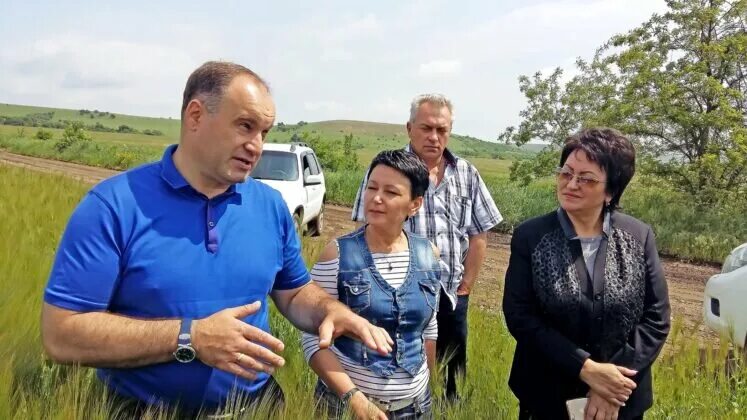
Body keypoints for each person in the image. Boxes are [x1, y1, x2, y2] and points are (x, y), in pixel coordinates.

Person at [40, 61, 392, 416]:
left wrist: (329, 310)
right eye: (245, 126)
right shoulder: (112, 206)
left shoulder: (269, 206)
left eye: (264, 132)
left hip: (257, 407)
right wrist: (189, 338)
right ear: (195, 116)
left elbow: (294, 292)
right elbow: (61, 334)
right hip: (143, 410)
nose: (256, 146)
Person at [502, 128, 671, 420]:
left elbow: (657, 317)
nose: (571, 184)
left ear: (610, 191)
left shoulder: (638, 235)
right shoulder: (530, 236)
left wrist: (611, 384)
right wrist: (587, 369)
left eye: (586, 178)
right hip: (547, 397)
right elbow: (520, 316)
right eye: (566, 173)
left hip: (621, 398)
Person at [351, 94, 502, 400]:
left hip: (449, 293)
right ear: (409, 128)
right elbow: (364, 226)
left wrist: (466, 287)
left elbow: (479, 234)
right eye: (426, 128)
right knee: (393, 360)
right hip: (395, 291)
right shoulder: (387, 169)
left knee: (452, 371)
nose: (434, 137)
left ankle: (450, 408)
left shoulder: (466, 173)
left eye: (442, 130)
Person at [305, 150, 442, 419]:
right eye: (371, 187)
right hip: (345, 409)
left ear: (414, 205)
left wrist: (429, 383)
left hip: (415, 408)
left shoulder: (429, 255)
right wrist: (355, 399)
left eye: (390, 192)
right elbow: (312, 336)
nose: (376, 198)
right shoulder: (338, 254)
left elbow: (429, 326)